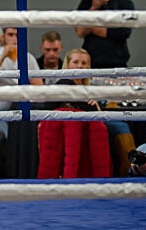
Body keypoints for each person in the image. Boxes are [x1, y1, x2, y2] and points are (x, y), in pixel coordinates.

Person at [37, 49, 112, 179]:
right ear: (68, 64)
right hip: (63, 137)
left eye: (84, 63)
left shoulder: (88, 88)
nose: (79, 66)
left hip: (83, 134)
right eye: (76, 62)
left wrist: (96, 106)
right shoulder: (62, 84)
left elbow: (97, 115)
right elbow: (46, 111)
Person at [0, 27, 43, 137]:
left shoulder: (28, 57)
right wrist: (3, 56)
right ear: (3, 37)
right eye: (10, 35)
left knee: (28, 134)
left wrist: (25, 70)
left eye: (17, 35)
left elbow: (39, 85)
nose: (14, 39)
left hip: (13, 111)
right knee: (7, 136)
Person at [74, 0, 135, 68]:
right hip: (91, 61)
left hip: (117, 62)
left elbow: (123, 33)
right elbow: (80, 32)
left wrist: (92, 28)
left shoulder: (125, 4)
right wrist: (94, 7)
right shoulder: (87, 3)